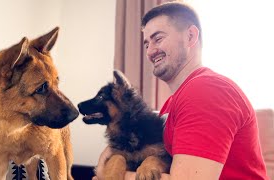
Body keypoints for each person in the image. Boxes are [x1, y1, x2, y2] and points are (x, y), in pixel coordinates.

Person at [93, 2, 268, 180]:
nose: (151, 51)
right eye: (146, 44)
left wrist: (106, 174)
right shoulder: (172, 104)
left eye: (158, 39)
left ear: (190, 36)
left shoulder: (207, 90)